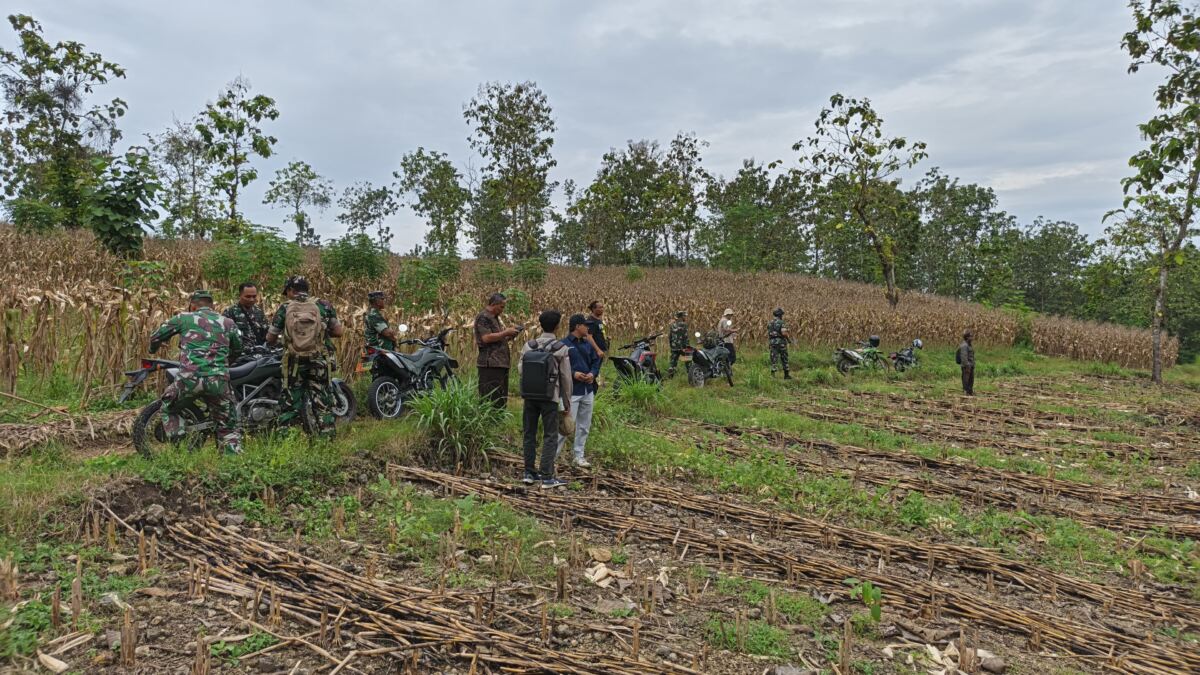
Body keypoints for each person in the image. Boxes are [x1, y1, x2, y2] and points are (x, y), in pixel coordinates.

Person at [149, 290, 243, 455]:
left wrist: (153, 349)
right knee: (227, 424)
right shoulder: (228, 322)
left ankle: (180, 443)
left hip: (189, 379)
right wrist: (224, 364)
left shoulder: (183, 318)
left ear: (193, 305)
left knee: (168, 406)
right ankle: (231, 464)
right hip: (218, 381)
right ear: (212, 305)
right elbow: (238, 348)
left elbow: (156, 337)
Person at [266, 276, 344, 433]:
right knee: (322, 399)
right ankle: (326, 437)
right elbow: (338, 331)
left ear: (290, 291)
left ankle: (286, 438)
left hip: (294, 362)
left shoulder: (285, 308)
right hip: (320, 359)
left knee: (290, 399)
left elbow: (270, 337)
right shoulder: (324, 305)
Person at [518, 310, 573, 488]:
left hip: (530, 396)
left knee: (529, 433)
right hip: (551, 397)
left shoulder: (529, 346)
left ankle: (528, 472)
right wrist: (567, 402)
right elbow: (566, 377)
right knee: (550, 436)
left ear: (540, 324)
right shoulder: (560, 348)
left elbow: (521, 370)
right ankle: (547, 476)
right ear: (558, 326)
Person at [558, 314, 600, 468]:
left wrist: (592, 374)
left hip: (587, 390)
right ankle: (552, 457)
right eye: (585, 325)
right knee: (564, 426)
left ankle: (579, 455)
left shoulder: (588, 344)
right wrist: (574, 373)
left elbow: (596, 361)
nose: (587, 328)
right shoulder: (563, 344)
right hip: (571, 392)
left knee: (584, 425)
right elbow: (558, 366)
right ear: (577, 326)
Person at [475, 293, 522, 410]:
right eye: (501, 307)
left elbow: (497, 338)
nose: (502, 310)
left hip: (500, 364)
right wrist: (506, 332)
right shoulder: (483, 317)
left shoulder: (494, 318)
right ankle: (489, 422)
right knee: (491, 397)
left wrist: (510, 335)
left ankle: (498, 421)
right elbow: (486, 338)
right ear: (493, 304)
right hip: (490, 364)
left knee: (500, 397)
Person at [222, 281, 268, 349]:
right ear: (240, 295)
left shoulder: (258, 311)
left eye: (254, 296)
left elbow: (266, 331)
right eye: (248, 296)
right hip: (240, 354)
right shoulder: (230, 312)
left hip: (259, 352)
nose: (252, 299)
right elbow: (225, 335)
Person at [767, 307, 792, 379]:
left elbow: (769, 333)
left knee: (773, 358)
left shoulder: (770, 323)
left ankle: (773, 375)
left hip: (772, 342)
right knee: (784, 358)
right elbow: (784, 333)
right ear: (780, 315)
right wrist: (788, 339)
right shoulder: (781, 322)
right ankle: (786, 375)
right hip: (781, 343)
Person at [667, 310, 690, 378]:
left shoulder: (672, 325)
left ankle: (671, 372)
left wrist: (671, 345)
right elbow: (685, 336)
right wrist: (687, 346)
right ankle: (690, 373)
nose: (685, 317)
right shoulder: (684, 325)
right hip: (683, 346)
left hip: (674, 346)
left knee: (673, 361)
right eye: (684, 316)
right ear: (681, 317)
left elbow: (670, 336)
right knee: (688, 359)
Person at [957, 330, 975, 396]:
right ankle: (966, 392)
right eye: (971, 336)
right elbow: (964, 357)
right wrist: (967, 365)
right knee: (966, 379)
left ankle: (970, 391)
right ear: (967, 337)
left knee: (971, 379)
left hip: (970, 365)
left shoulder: (969, 345)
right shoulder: (964, 346)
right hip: (966, 366)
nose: (972, 338)